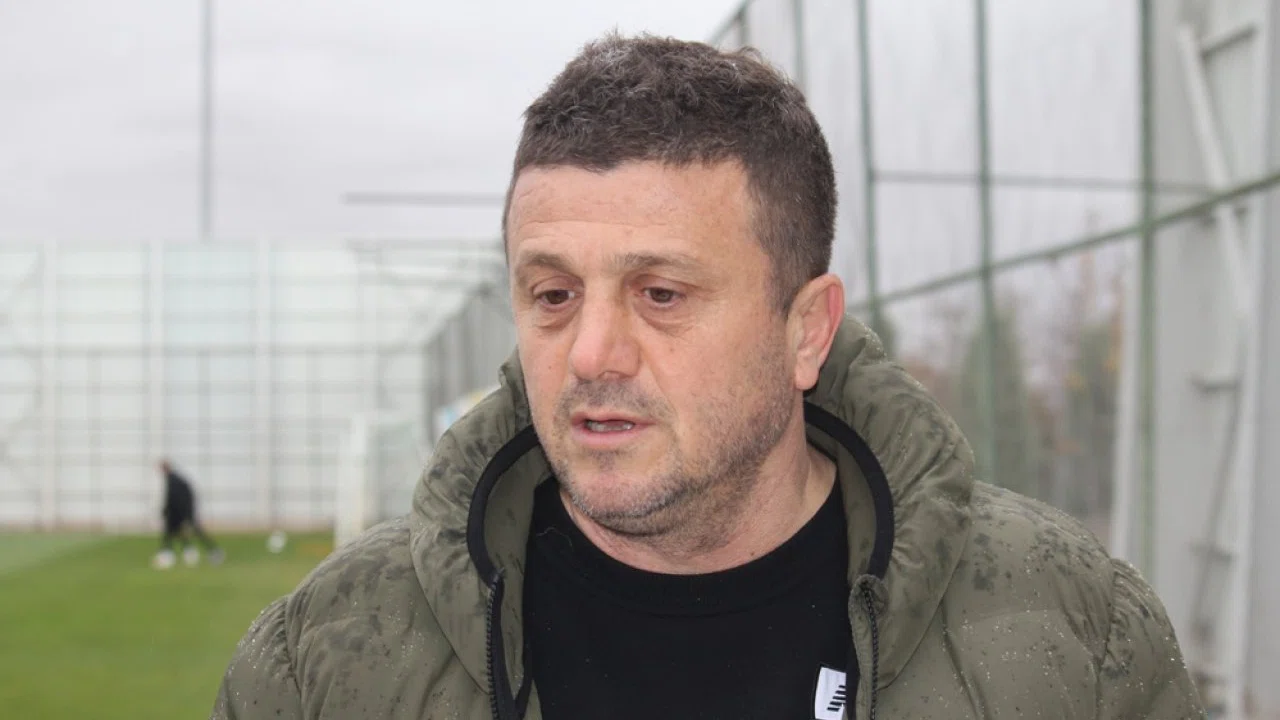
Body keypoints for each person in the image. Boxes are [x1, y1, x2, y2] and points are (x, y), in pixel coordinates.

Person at [214, 34, 1203, 719]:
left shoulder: (1072, 635)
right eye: (552, 295)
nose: (590, 354)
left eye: (661, 294)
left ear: (806, 331)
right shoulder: (327, 658)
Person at [153, 459, 223, 569]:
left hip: (181, 512)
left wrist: (169, 511)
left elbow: (172, 498)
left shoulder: (173, 480)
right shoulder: (175, 479)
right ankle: (185, 552)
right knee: (172, 532)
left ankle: (212, 551)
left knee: (190, 531)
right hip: (181, 511)